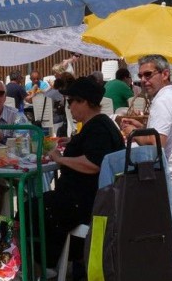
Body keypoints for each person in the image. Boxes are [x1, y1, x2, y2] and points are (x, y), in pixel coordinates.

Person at [40, 76, 124, 265]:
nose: (69, 108)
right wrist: (74, 142)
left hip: (85, 203)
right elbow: (95, 150)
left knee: (30, 208)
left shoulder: (97, 128)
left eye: (71, 102)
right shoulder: (101, 124)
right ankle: (63, 259)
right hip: (94, 197)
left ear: (84, 102)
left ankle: (45, 264)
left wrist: (61, 159)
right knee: (42, 202)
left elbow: (93, 164)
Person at [119, 54, 172, 193]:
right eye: (140, 75)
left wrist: (133, 133)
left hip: (171, 178)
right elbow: (163, 135)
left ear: (165, 74)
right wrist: (141, 128)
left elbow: (156, 146)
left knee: (118, 175)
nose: (143, 80)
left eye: (148, 75)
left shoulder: (162, 101)